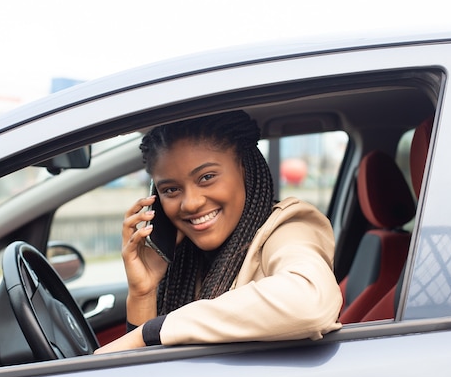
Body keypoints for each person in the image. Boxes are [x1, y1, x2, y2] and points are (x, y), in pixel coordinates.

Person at [94, 110, 342, 354]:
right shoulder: (186, 259)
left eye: (207, 177)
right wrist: (143, 292)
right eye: (170, 190)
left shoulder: (290, 226)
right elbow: (138, 374)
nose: (190, 203)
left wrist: (151, 332)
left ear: (245, 168)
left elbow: (310, 304)